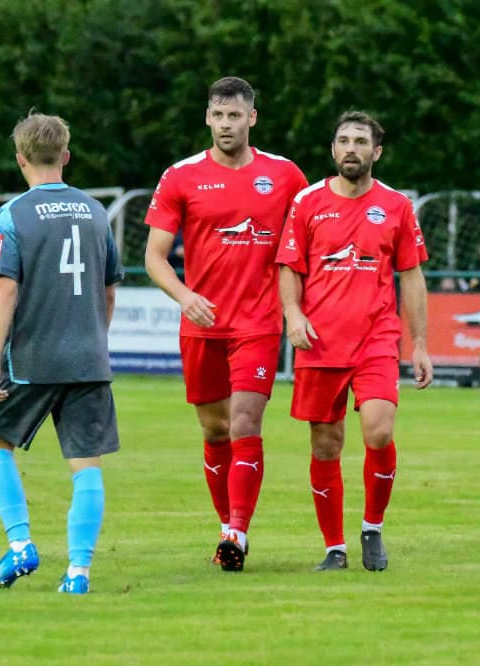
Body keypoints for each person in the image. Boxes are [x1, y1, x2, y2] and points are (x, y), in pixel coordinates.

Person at [144, 77, 308, 571]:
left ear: (251, 118)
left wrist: (297, 308)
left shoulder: (285, 176)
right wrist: (185, 296)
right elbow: (154, 257)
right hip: (202, 324)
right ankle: (226, 527)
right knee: (215, 430)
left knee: (245, 423)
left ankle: (237, 530)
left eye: (235, 115)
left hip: (258, 323)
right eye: (218, 116)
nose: (226, 124)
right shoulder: (181, 176)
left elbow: (306, 245)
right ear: (207, 118)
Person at [276, 111, 432, 572]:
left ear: (376, 152)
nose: (351, 148)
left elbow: (412, 275)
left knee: (379, 430)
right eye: (343, 140)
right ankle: (334, 548)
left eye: (361, 142)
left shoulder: (396, 205)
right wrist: (293, 315)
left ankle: (372, 527)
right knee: (326, 445)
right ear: (333, 149)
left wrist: (420, 343)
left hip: (376, 339)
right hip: (319, 342)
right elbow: (289, 266)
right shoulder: (307, 202)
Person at [0, 112, 124, 595]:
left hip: (33, 358)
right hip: (89, 359)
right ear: (66, 156)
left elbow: (6, 289)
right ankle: (78, 573)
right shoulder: (96, 211)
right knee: (86, 465)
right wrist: (93, 340)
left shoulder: (13, 214)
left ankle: (21, 544)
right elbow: (108, 291)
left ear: (20, 159)